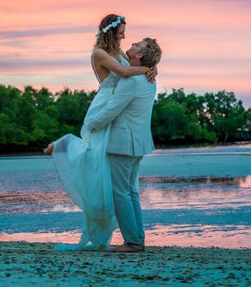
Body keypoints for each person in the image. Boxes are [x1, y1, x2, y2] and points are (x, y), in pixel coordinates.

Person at [43, 14, 156, 250]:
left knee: (119, 185)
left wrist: (152, 67)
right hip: (107, 102)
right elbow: (126, 73)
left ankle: (135, 241)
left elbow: (136, 65)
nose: (126, 36)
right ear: (111, 31)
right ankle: (62, 144)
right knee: (94, 155)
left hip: (118, 114)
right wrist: (149, 67)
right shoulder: (100, 54)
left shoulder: (124, 56)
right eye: (122, 31)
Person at [88, 37, 162, 253]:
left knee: (121, 193)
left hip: (122, 143)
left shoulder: (132, 80)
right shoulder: (149, 78)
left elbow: (112, 109)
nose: (132, 44)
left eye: (137, 45)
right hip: (137, 142)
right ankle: (137, 238)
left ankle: (133, 242)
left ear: (139, 55)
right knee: (130, 192)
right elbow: (118, 54)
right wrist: (153, 66)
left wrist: (91, 124)